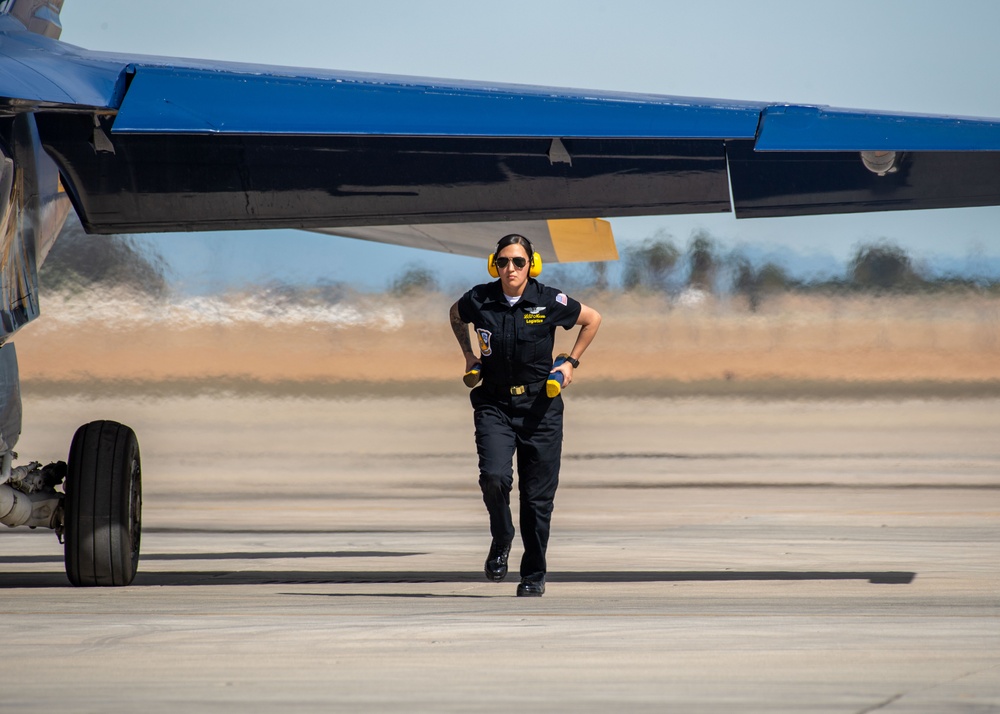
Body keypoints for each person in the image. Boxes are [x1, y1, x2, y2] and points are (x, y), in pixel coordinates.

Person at [449, 234, 601, 597]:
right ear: (493, 264)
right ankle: (502, 535)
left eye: (519, 262)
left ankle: (533, 574)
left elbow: (592, 319)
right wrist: (469, 357)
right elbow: (455, 316)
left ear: (531, 265)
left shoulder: (548, 300)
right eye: (503, 262)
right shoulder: (478, 298)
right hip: (494, 405)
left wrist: (571, 361)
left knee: (537, 500)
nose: (510, 269)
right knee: (494, 477)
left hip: (540, 410)